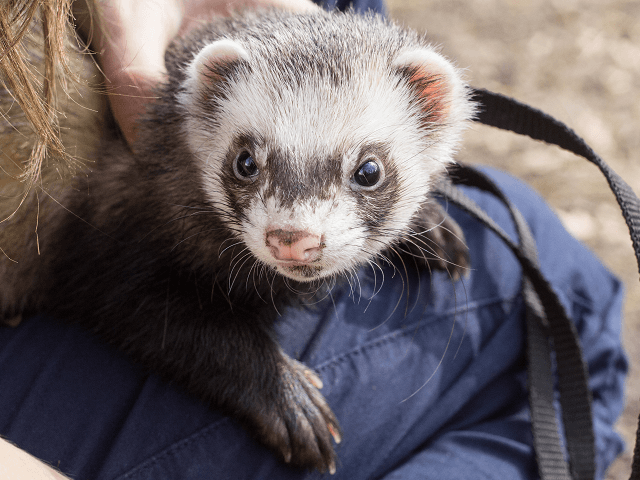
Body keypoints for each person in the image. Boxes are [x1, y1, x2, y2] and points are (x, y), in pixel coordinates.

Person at [0, 0, 627, 478]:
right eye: (248, 165)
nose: (295, 227)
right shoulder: (161, 198)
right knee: (566, 309)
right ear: (206, 116)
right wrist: (256, 375)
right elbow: (132, 296)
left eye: (367, 174)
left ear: (434, 133)